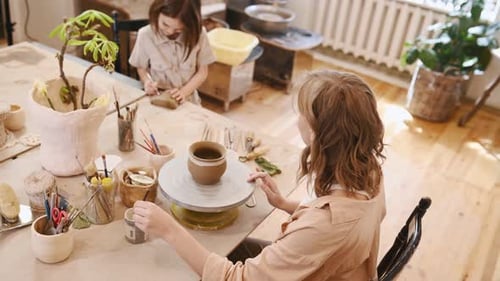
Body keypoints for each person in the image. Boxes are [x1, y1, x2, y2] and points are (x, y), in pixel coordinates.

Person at [133, 70, 387, 280]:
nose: (297, 118)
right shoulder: (369, 171)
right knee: (217, 246)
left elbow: (235, 278)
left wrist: (169, 229)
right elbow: (335, 219)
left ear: (317, 134)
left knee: (182, 261)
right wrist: (285, 205)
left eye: (301, 113)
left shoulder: (326, 227)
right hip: (333, 265)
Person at [129, 0, 215, 105]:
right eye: (165, 24)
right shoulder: (145, 35)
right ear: (157, 12)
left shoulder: (198, 34)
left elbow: (202, 72)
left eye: (178, 29)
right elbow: (141, 68)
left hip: (188, 100)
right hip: (158, 98)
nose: (169, 31)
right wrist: (147, 82)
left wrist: (183, 92)